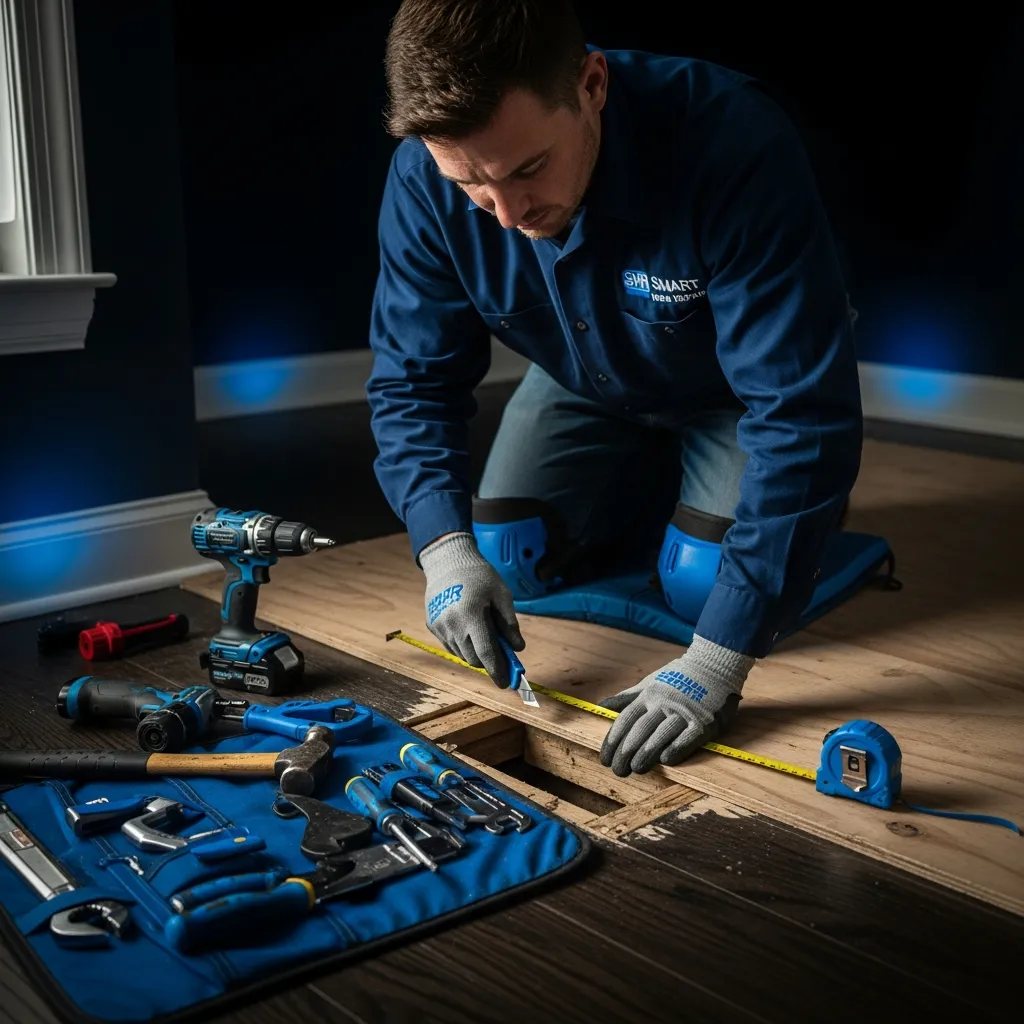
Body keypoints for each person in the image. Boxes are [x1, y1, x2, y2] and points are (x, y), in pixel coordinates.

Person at [366, 0, 862, 777]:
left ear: (592, 84)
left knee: (706, 588)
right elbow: (410, 380)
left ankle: (744, 530)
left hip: (734, 392)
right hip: (586, 382)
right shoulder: (424, 179)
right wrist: (443, 550)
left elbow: (799, 412)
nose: (508, 214)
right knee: (506, 555)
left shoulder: (733, 138)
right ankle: (678, 506)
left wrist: (718, 662)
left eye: (529, 168)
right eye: (471, 184)